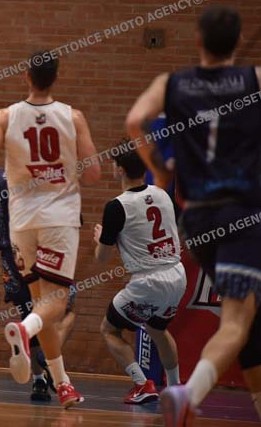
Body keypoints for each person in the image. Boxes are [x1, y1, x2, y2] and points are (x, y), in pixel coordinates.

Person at [126, 5, 261, 425]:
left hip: (198, 220)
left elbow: (135, 121)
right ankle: (188, 394)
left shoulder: (171, 83)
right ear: (239, 41)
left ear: (197, 39)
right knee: (237, 322)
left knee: (247, 319)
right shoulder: (255, 79)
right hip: (241, 216)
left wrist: (161, 169)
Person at [0, 49, 100, 408]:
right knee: (56, 303)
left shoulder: (5, 116)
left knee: (42, 303)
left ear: (26, 76)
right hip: (58, 219)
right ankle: (24, 331)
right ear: (56, 78)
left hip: (21, 223)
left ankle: (63, 384)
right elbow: (93, 172)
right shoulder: (72, 117)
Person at [93, 143, 185, 404]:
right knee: (158, 329)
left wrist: (101, 239)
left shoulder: (116, 206)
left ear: (120, 170)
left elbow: (102, 258)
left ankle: (143, 385)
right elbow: (176, 227)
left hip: (148, 281)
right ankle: (176, 388)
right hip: (176, 275)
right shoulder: (162, 194)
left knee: (109, 329)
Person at [0, 170, 77, 402]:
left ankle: (39, 381)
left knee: (30, 314)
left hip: (13, 256)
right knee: (63, 309)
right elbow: (75, 217)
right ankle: (49, 363)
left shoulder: (0, 179)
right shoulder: (56, 173)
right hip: (48, 249)